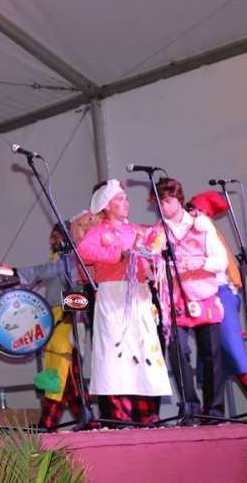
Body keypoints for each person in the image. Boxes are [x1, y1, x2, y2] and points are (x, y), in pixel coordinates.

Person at [77, 180, 172, 424]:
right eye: (119, 199)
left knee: (142, 350)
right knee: (114, 352)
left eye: (126, 199)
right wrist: (117, 254)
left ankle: (146, 412)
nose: (125, 203)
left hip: (139, 293)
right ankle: (118, 414)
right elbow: (83, 252)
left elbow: (152, 252)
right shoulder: (98, 231)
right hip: (113, 294)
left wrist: (154, 254)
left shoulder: (137, 230)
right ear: (107, 206)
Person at [186, 191, 247, 418]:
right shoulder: (195, 234)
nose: (192, 214)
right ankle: (213, 410)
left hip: (220, 294)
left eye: (195, 210)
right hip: (209, 297)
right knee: (214, 355)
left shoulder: (208, 234)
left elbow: (221, 273)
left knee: (232, 352)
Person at [150, 178, 227, 419]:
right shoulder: (158, 231)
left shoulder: (200, 224)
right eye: (159, 202)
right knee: (178, 352)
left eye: (167, 200)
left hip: (203, 295)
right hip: (174, 300)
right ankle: (190, 408)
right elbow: (151, 266)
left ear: (178, 199)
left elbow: (221, 261)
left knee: (211, 354)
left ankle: (214, 411)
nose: (163, 206)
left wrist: (200, 262)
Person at [15, 222, 93, 429]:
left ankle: (49, 422)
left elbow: (46, 272)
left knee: (63, 368)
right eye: (53, 236)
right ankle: (86, 419)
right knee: (67, 372)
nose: (53, 241)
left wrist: (14, 272)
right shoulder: (59, 260)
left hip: (68, 319)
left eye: (57, 236)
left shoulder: (72, 260)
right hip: (57, 318)